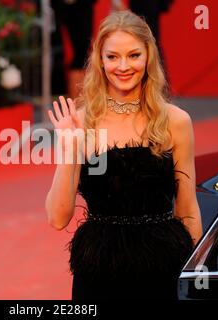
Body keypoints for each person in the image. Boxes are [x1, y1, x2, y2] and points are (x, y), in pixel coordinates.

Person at [45, 11, 202, 300]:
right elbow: (57, 218)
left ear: (148, 57)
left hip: (162, 267)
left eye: (133, 55)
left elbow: (188, 209)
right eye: (113, 57)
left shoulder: (176, 121)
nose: (123, 66)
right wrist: (69, 146)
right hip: (99, 271)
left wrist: (193, 277)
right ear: (100, 61)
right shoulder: (80, 123)